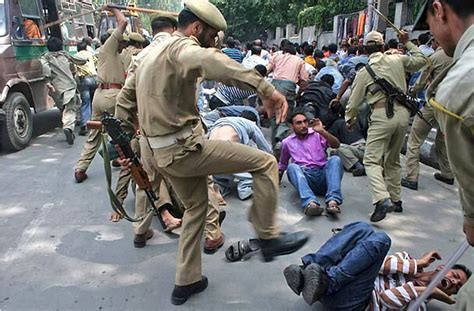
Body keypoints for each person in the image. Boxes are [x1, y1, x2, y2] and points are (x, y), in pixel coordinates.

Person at [115, 0, 308, 305]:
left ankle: (186, 281)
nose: (213, 42)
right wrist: (264, 88)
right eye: (212, 35)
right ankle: (267, 236)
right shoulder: (182, 48)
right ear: (196, 28)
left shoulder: (146, 54)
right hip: (185, 150)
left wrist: (126, 147)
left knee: (196, 208)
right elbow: (212, 63)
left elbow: (123, 106)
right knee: (265, 162)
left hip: (158, 153)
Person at [414, 0, 474, 308]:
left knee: (412, 145)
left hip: (429, 113)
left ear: (440, 10)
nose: (433, 36)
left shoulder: (460, 85)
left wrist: (471, 218)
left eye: (429, 27)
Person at [283, 221, 471, 310]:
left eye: (457, 287)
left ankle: (323, 280)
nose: (454, 282)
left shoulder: (420, 305)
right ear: (441, 267)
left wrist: (425, 291)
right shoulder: (406, 259)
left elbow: (385, 300)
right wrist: (417, 264)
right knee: (364, 229)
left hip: (351, 304)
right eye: (456, 276)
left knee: (381, 239)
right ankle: (309, 272)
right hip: (335, 282)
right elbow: (380, 265)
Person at [345, 31, 428, 222]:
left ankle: (382, 199)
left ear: (365, 49)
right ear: (382, 47)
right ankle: (396, 200)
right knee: (393, 159)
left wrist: (350, 120)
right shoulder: (398, 60)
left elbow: (354, 102)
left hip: (382, 115)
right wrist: (407, 43)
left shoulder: (364, 72)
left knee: (371, 161)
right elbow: (422, 60)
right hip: (403, 115)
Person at [74, 6, 128, 183]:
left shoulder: (110, 55)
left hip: (100, 95)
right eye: (121, 41)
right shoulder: (109, 48)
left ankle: (81, 168)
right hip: (112, 96)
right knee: (124, 130)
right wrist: (114, 8)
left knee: (95, 134)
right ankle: (121, 158)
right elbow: (123, 22)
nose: (123, 43)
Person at [402, 45, 454, 191]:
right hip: (453, 107)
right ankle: (448, 173)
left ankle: (411, 177)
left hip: (435, 103)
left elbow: (422, 80)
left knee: (414, 140)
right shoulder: (464, 56)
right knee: (442, 140)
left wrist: (411, 92)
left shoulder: (436, 57)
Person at [279, 110, 343, 216]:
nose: (303, 125)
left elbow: (336, 145)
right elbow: (282, 165)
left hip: (324, 176)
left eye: (305, 121)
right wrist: (273, 182)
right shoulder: (287, 142)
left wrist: (322, 131)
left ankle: (333, 202)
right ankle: (310, 203)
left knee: (335, 159)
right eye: (299, 123)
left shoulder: (317, 134)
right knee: (292, 167)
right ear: (292, 126)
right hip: (306, 179)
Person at [210, 111, 273, 200]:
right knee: (254, 169)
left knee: (221, 177)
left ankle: (220, 187)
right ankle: (244, 188)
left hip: (210, 156)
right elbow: (266, 149)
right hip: (226, 153)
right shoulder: (251, 124)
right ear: (254, 121)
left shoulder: (221, 121)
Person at [40, 37, 85, 145]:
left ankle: (67, 125)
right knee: (70, 109)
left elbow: (45, 69)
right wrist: (86, 60)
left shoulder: (45, 57)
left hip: (56, 88)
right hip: (69, 86)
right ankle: (68, 127)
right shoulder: (65, 55)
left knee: (63, 108)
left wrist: (48, 82)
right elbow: (79, 61)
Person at [267, 43, 309, 151]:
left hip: (274, 87)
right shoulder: (299, 60)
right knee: (284, 118)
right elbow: (304, 81)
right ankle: (280, 140)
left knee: (274, 119)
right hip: (288, 88)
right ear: (295, 52)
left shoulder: (276, 56)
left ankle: (275, 148)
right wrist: (298, 94)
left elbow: (266, 70)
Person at [75, 40, 97, 136]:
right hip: (94, 78)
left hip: (84, 80)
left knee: (85, 103)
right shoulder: (91, 54)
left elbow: (73, 69)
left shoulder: (76, 56)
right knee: (93, 101)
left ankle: (84, 124)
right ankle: (95, 123)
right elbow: (96, 63)